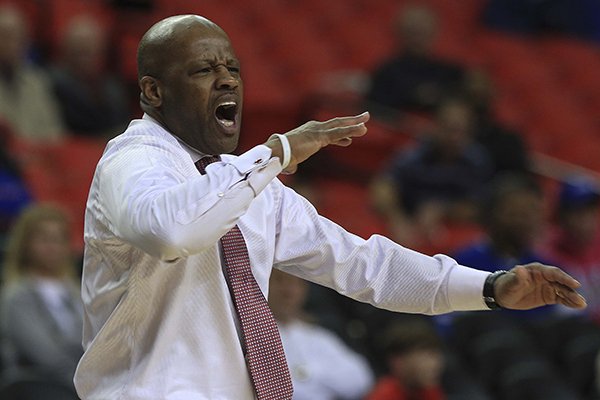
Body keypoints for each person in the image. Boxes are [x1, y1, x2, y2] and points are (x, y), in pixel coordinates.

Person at [73, 15, 586, 400]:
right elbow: (171, 232)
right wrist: (278, 152)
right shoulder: (133, 159)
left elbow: (366, 266)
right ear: (153, 91)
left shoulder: (252, 186)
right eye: (204, 70)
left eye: (232, 67)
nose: (227, 79)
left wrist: (492, 287)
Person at [370, 98, 492, 251]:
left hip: (452, 227)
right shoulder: (414, 153)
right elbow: (384, 185)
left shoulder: (476, 160)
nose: (453, 137)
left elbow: (478, 206)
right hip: (408, 219)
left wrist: (442, 209)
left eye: (460, 131)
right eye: (448, 129)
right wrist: (397, 218)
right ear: (436, 126)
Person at [0, 204, 83, 393]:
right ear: (25, 244)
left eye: (59, 239)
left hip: (82, 381)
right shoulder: (16, 296)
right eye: (44, 239)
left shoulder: (77, 291)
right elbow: (46, 355)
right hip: (39, 384)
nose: (52, 246)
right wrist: (90, 388)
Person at [268, 269, 374, 400]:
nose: (288, 291)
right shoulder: (252, 337)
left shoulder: (318, 336)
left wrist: (307, 374)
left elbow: (360, 379)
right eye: (279, 281)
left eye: (296, 283)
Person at [365, 5, 465, 117]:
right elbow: (378, 112)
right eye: (412, 32)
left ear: (434, 33)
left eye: (423, 32)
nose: (418, 39)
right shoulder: (386, 72)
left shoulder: (452, 71)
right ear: (400, 34)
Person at [50, 15, 130, 139]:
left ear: (101, 50)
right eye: (79, 51)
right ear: (66, 50)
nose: (85, 57)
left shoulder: (112, 88)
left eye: (89, 50)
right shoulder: (54, 84)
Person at [540, 175, 600, 322]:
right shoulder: (546, 254)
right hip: (571, 333)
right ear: (562, 216)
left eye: (591, 211)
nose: (586, 220)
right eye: (578, 213)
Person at [0, 5, 64, 142]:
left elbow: (55, 133)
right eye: (4, 36)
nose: (10, 43)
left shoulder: (37, 81)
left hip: (38, 159)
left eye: (16, 37)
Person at [366, 318, 446, 400]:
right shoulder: (383, 396)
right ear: (397, 361)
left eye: (435, 355)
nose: (435, 364)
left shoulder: (431, 391)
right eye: (426, 357)